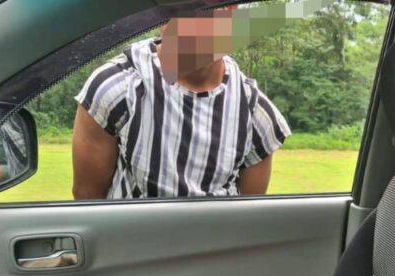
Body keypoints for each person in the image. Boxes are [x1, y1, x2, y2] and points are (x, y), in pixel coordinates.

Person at [72, 8, 290, 199]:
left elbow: (246, 218)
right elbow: (88, 197)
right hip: (131, 234)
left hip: (217, 236)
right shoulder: (115, 88)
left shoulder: (256, 114)